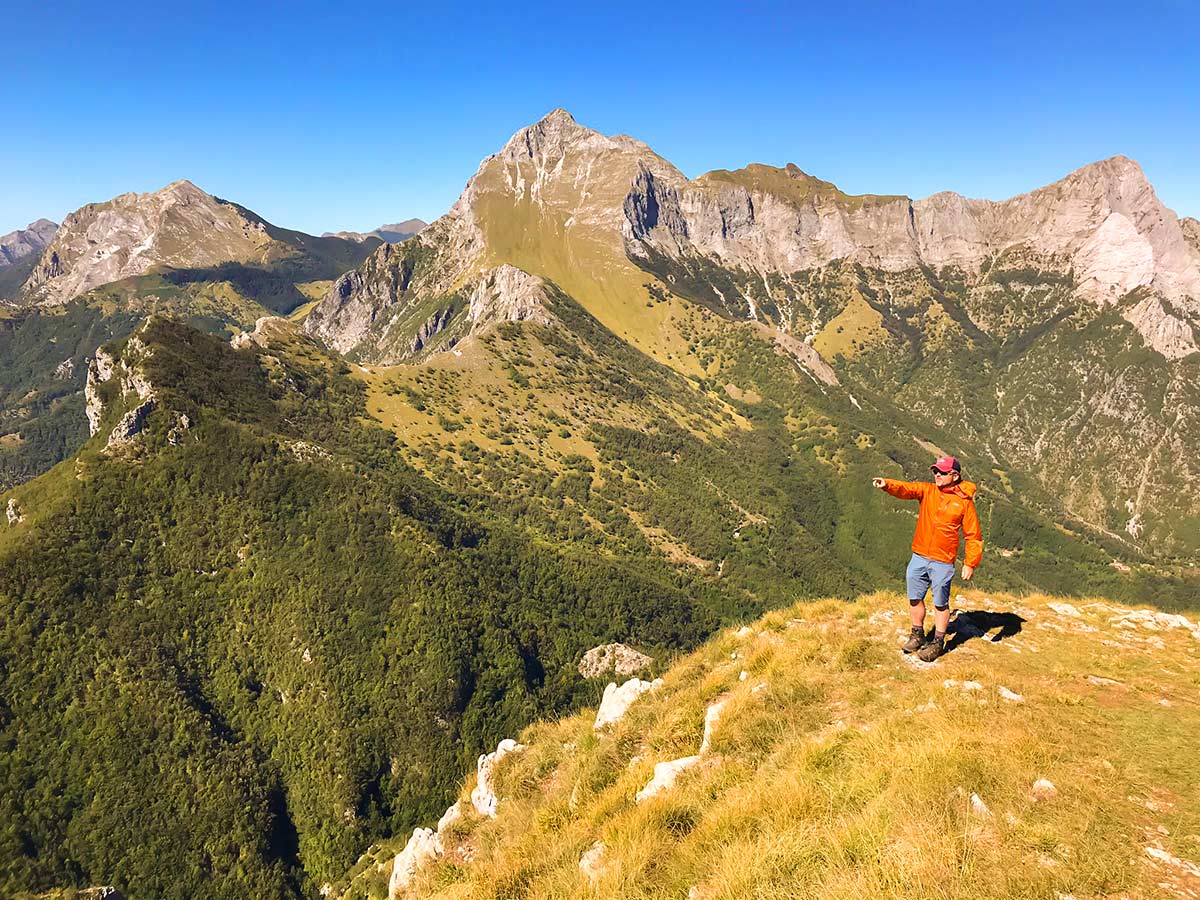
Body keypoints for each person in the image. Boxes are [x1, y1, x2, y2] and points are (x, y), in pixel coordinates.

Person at [871, 456, 983, 662]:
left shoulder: (964, 503)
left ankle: (938, 643)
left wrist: (970, 563)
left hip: (943, 560)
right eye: (935, 472)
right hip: (919, 556)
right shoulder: (928, 491)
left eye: (941, 472)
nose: (937, 475)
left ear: (955, 475)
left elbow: (973, 536)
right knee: (915, 598)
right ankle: (917, 635)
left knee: (940, 603)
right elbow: (908, 489)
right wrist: (887, 484)